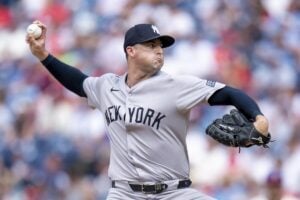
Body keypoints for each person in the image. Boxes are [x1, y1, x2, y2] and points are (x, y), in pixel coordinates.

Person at [26, 21, 270, 200]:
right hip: (124, 193)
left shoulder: (176, 86)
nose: (159, 50)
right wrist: (43, 56)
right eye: (151, 45)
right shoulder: (107, 86)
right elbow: (77, 82)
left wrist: (258, 118)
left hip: (175, 192)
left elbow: (229, 93)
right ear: (130, 51)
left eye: (161, 46)